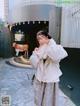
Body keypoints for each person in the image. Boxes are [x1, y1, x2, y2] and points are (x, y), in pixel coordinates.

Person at [29, 30, 68, 106]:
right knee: (38, 100)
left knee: (49, 101)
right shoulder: (39, 50)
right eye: (38, 39)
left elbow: (56, 56)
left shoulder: (56, 47)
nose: (40, 41)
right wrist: (35, 54)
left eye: (41, 38)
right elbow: (33, 64)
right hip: (39, 79)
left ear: (47, 37)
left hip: (50, 80)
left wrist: (50, 43)